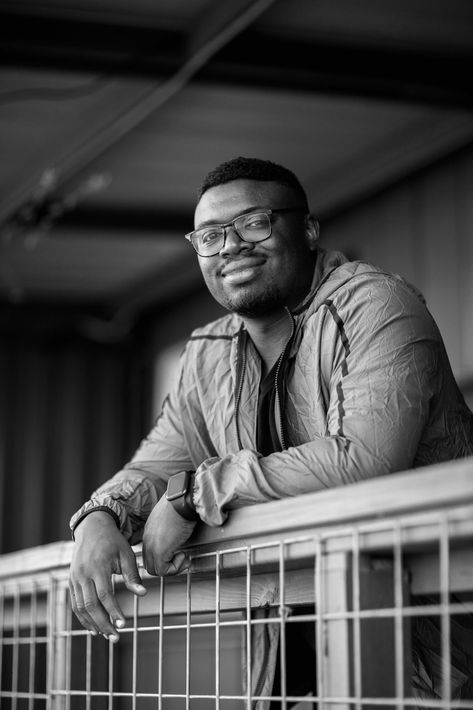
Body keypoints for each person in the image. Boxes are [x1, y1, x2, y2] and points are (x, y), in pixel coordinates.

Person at [69, 157, 473, 700]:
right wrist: (100, 515)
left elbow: (366, 459)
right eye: (210, 236)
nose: (230, 246)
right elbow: (156, 462)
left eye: (254, 223)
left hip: (436, 634)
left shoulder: (376, 305)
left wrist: (194, 496)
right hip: (293, 640)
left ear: (307, 230)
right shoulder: (207, 352)